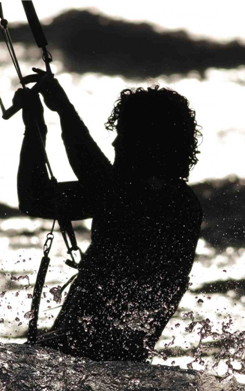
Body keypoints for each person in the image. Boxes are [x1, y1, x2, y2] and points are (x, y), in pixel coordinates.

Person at [15, 77, 202, 362]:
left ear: (146, 143)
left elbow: (102, 181)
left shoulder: (175, 205)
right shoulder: (121, 195)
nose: (114, 143)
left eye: (123, 134)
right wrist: (35, 130)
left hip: (103, 364)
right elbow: (34, 198)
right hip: (77, 358)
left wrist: (65, 111)